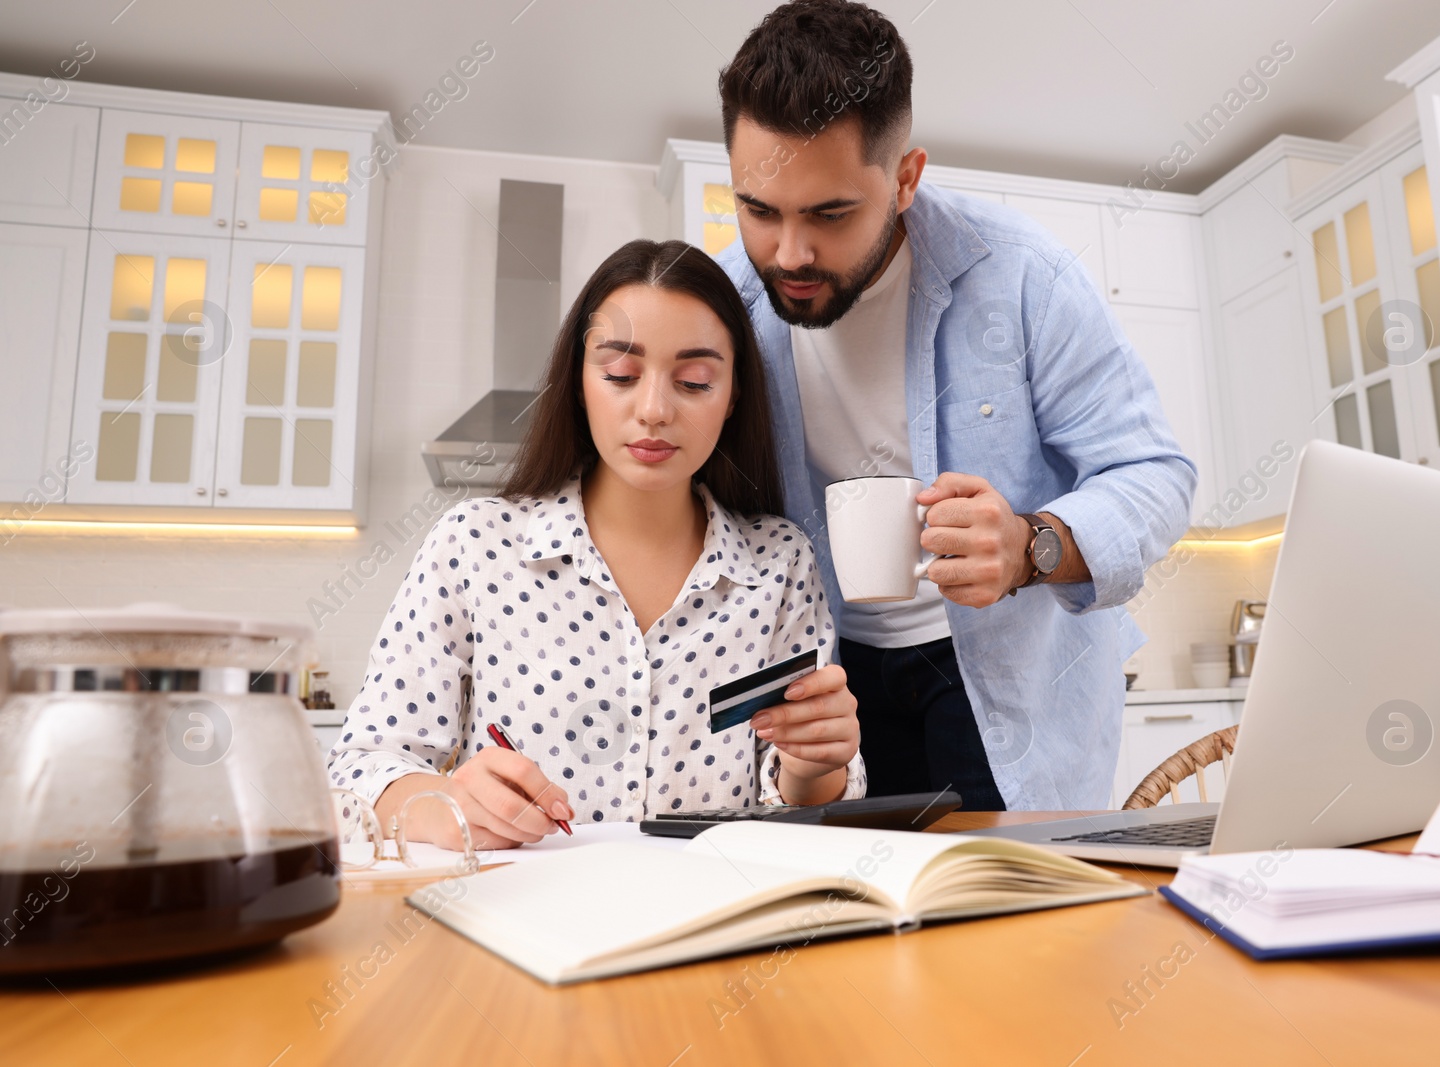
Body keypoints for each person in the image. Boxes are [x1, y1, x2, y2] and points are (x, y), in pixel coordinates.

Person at [712, 1, 1197, 811]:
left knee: (1015, 916)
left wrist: (1029, 544)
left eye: (829, 214)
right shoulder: (727, 302)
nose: (788, 254)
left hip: (1005, 669)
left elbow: (1155, 474)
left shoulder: (1024, 276)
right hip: (831, 673)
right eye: (759, 211)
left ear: (905, 178)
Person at [329, 239, 866, 849]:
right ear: (579, 383)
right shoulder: (473, 545)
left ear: (733, 395)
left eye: (694, 381)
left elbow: (805, 810)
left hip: (713, 928)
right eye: (619, 375)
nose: (655, 410)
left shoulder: (780, 562)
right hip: (527, 929)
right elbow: (356, 776)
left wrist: (813, 764)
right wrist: (448, 803)